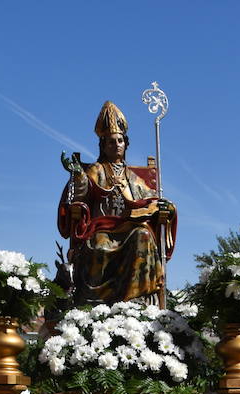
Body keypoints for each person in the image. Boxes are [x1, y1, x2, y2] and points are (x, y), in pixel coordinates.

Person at [58, 100, 176, 304]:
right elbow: (82, 191)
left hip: (130, 228)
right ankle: (94, 304)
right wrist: (78, 175)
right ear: (103, 145)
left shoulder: (132, 177)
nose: (116, 145)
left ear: (126, 144)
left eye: (120, 141)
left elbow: (150, 198)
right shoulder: (97, 170)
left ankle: (136, 302)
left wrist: (167, 206)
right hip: (102, 229)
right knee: (99, 246)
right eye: (111, 141)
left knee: (144, 235)